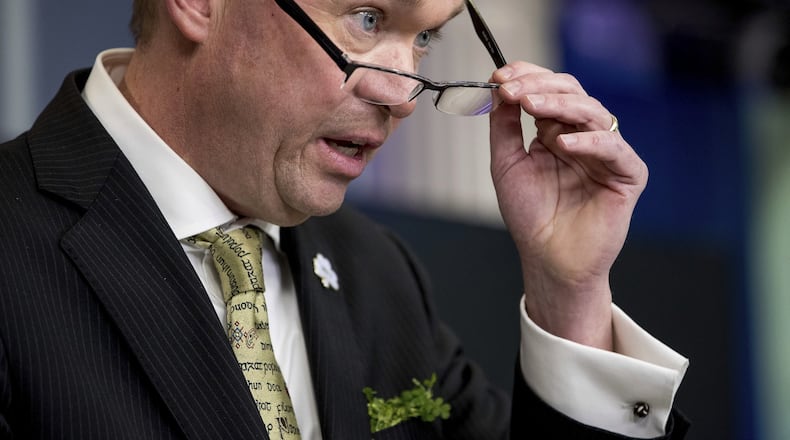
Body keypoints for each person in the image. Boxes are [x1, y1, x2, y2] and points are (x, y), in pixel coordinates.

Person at [0, 0, 690, 438]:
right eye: (367, 18)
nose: (401, 95)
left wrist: (568, 294)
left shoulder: (378, 273)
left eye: (426, 41)